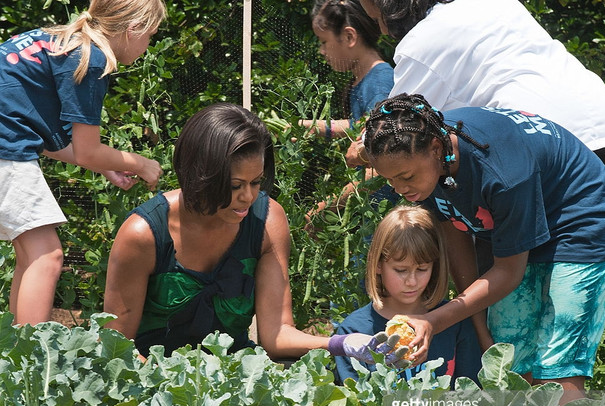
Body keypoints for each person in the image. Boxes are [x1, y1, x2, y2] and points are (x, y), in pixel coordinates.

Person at [352, 0, 605, 366]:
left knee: (545, 341)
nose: (369, 16)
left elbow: (397, 127)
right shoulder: (490, 2)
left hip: (542, 154)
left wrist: (361, 151)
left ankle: (556, 382)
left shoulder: (421, 44)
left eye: (370, 8)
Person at [363, 93, 605, 403]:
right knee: (507, 359)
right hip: (515, 223)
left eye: (406, 177)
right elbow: (455, 229)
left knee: (557, 367)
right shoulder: (421, 154)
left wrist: (433, 321)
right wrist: (480, 327)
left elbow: (508, 272)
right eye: (390, 180)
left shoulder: (502, 175)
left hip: (580, 220)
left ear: (436, 149)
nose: (400, 189)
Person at [103, 102, 407, 368]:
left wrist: (342, 344)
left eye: (256, 182)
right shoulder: (143, 235)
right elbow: (117, 350)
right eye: (235, 185)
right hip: (152, 388)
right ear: (199, 175)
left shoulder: (267, 221)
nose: (248, 197)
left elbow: (276, 335)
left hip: (233, 382)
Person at [0, 0, 167, 326]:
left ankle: (15, 352)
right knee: (47, 257)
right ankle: (30, 363)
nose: (149, 45)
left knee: (31, 255)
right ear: (133, 30)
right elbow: (87, 151)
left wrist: (106, 165)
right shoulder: (91, 59)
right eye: (151, 35)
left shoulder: (59, 42)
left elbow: (50, 140)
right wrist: (141, 163)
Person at [334, 204, 481, 385]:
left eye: (422, 269)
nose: (412, 281)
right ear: (378, 264)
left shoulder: (454, 321)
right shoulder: (353, 330)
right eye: (401, 270)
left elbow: (471, 393)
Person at [301, 0, 397, 223]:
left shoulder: (380, 83)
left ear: (349, 37)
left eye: (324, 42)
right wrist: (307, 127)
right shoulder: (364, 80)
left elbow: (385, 159)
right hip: (372, 211)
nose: (322, 51)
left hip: (386, 214)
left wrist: (327, 207)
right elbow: (360, 126)